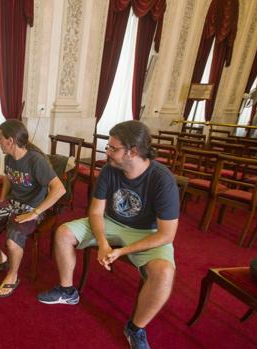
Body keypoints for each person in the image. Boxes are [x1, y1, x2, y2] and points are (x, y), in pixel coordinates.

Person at [37, 120, 179, 349]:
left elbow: (166, 235)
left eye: (113, 148)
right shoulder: (109, 170)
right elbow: (95, 211)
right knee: (63, 233)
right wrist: (103, 244)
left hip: (146, 231)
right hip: (109, 222)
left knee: (164, 273)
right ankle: (67, 290)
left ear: (133, 151)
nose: (108, 152)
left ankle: (135, 327)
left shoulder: (162, 180)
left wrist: (122, 251)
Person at [0, 119, 66, 297]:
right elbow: (9, 178)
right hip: (12, 203)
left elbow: (59, 189)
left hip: (32, 209)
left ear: (11, 140)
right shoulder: (9, 157)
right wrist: (0, 200)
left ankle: (12, 275)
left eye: (0, 138)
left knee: (12, 239)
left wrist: (35, 213)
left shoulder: (35, 161)